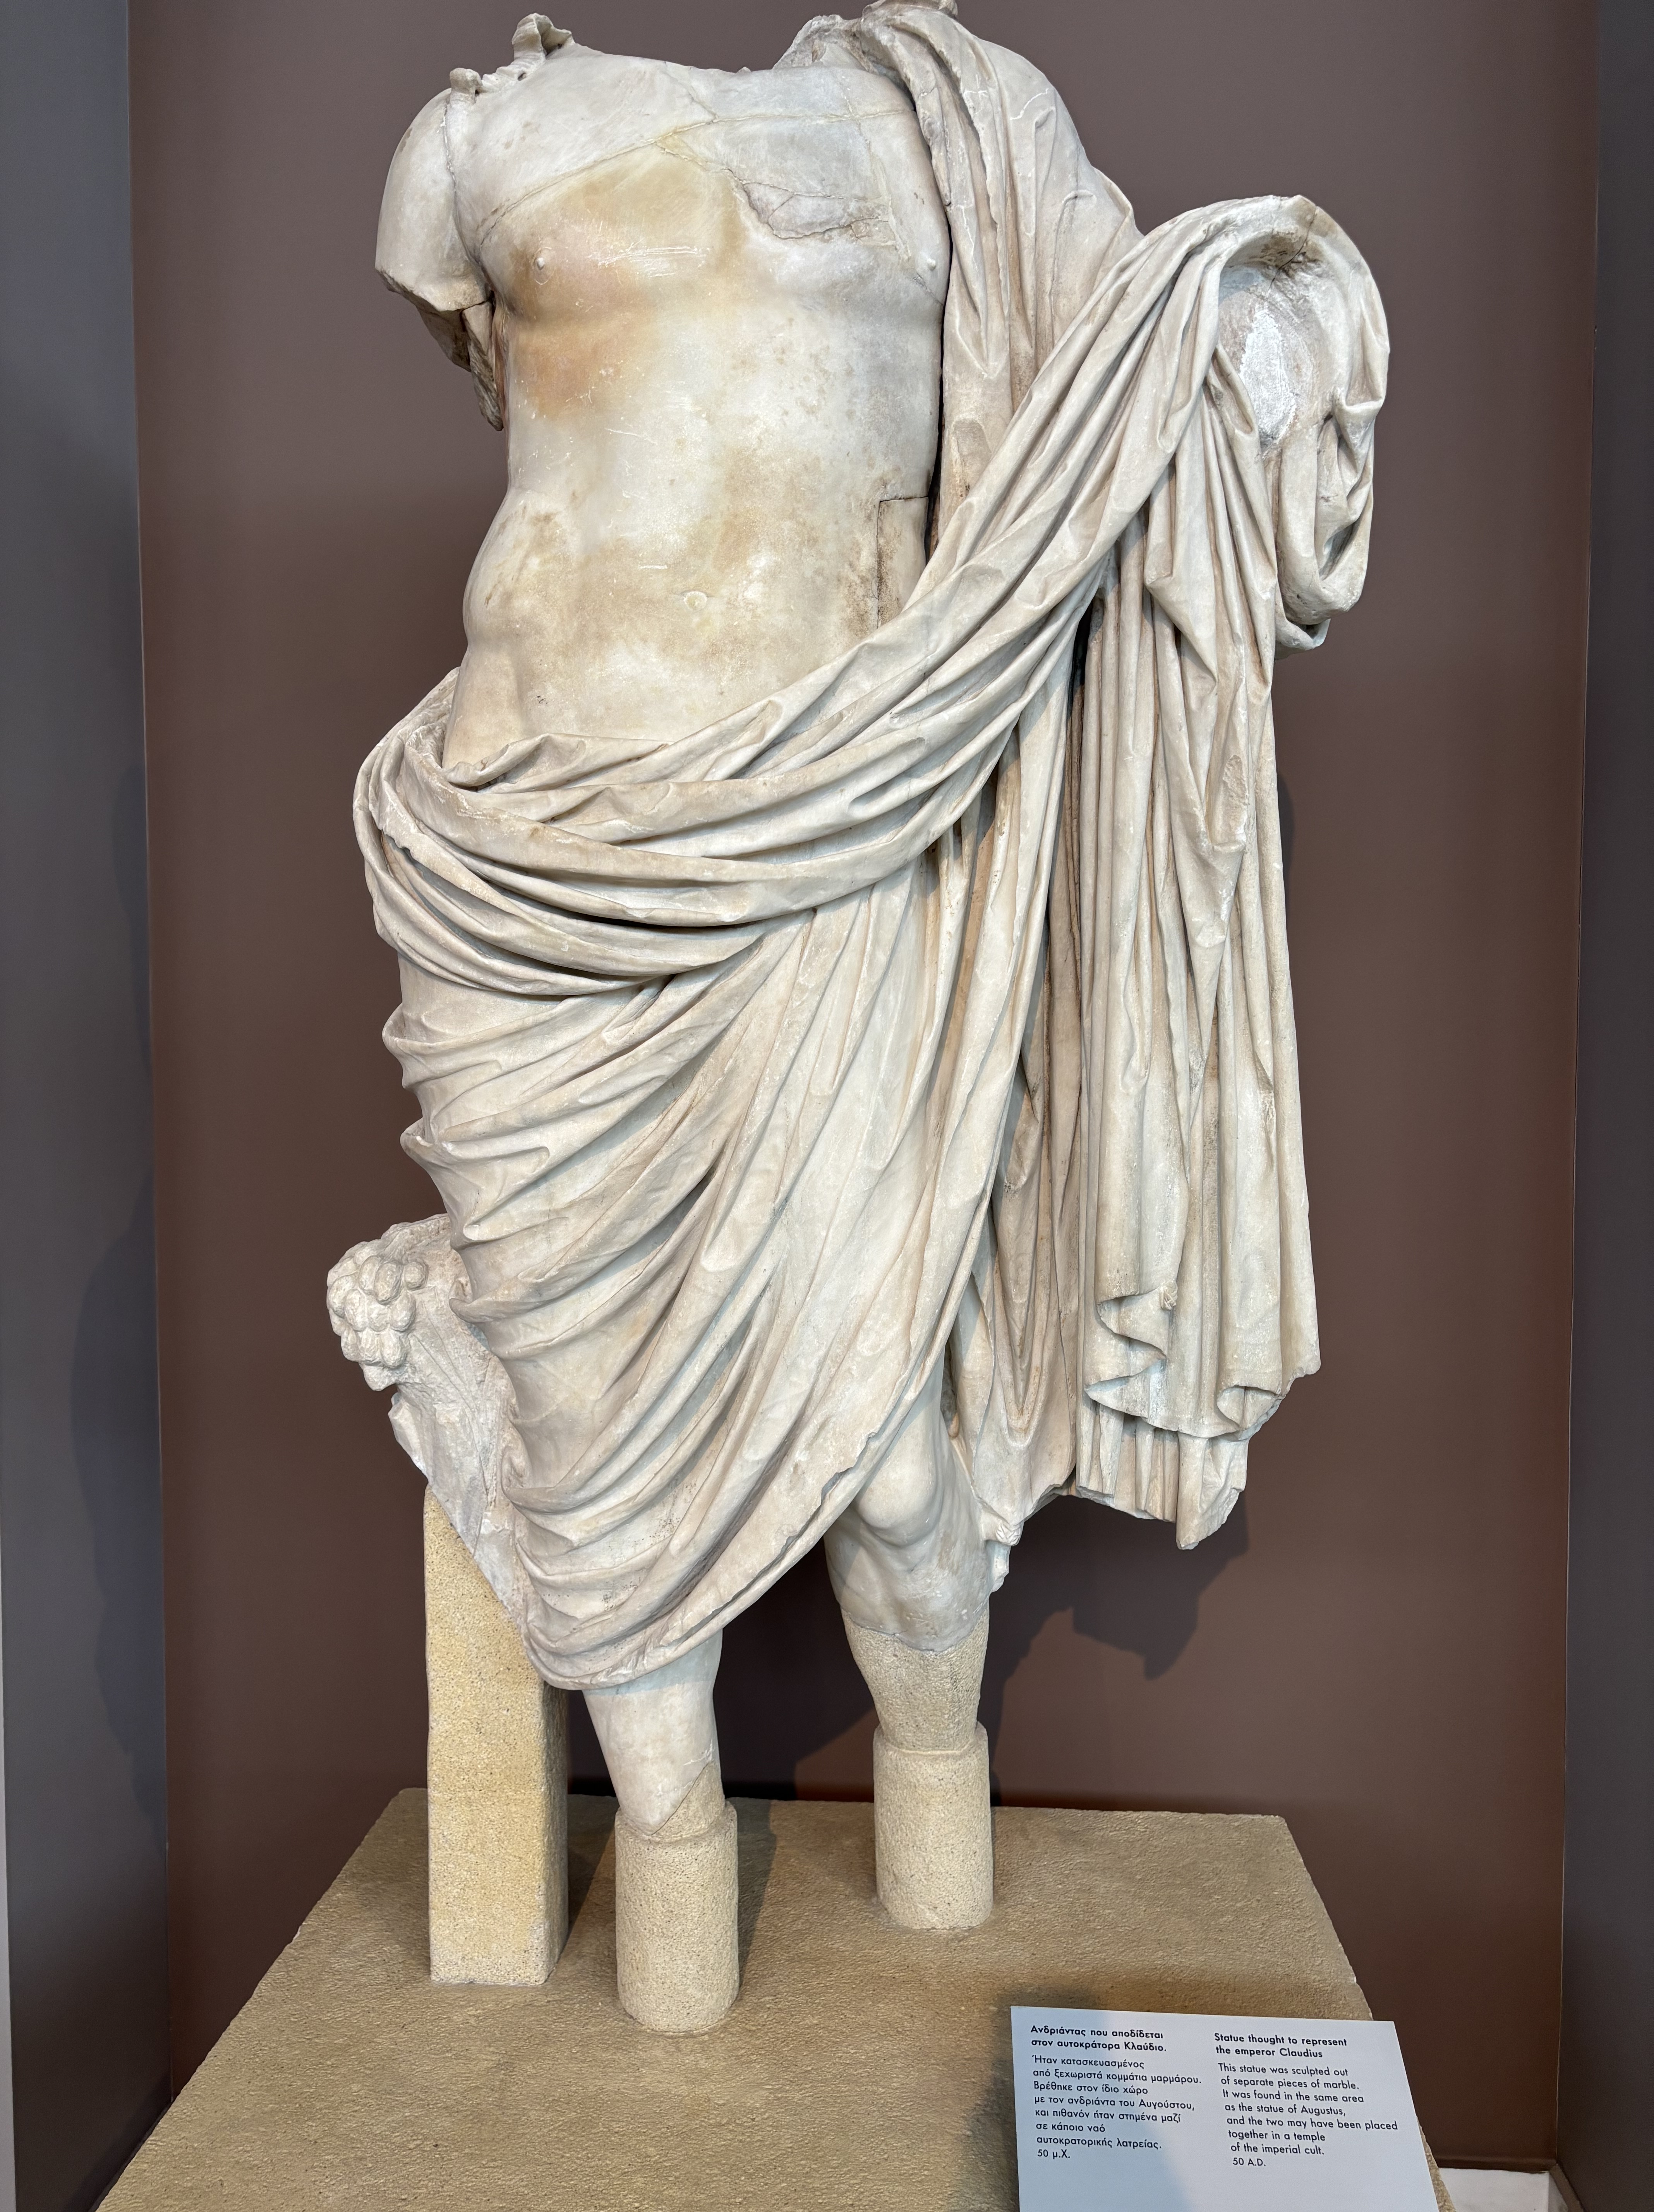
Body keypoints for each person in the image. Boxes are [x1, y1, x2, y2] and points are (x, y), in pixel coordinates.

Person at [331, 0, 1386, 2027]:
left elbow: (1132, 389)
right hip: (537, 862)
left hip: (842, 837)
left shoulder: (973, 128)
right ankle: (669, 1884)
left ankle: (931, 1793)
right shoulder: (472, 134)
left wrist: (1247, 325)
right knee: (592, 1444)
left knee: (895, 1466)